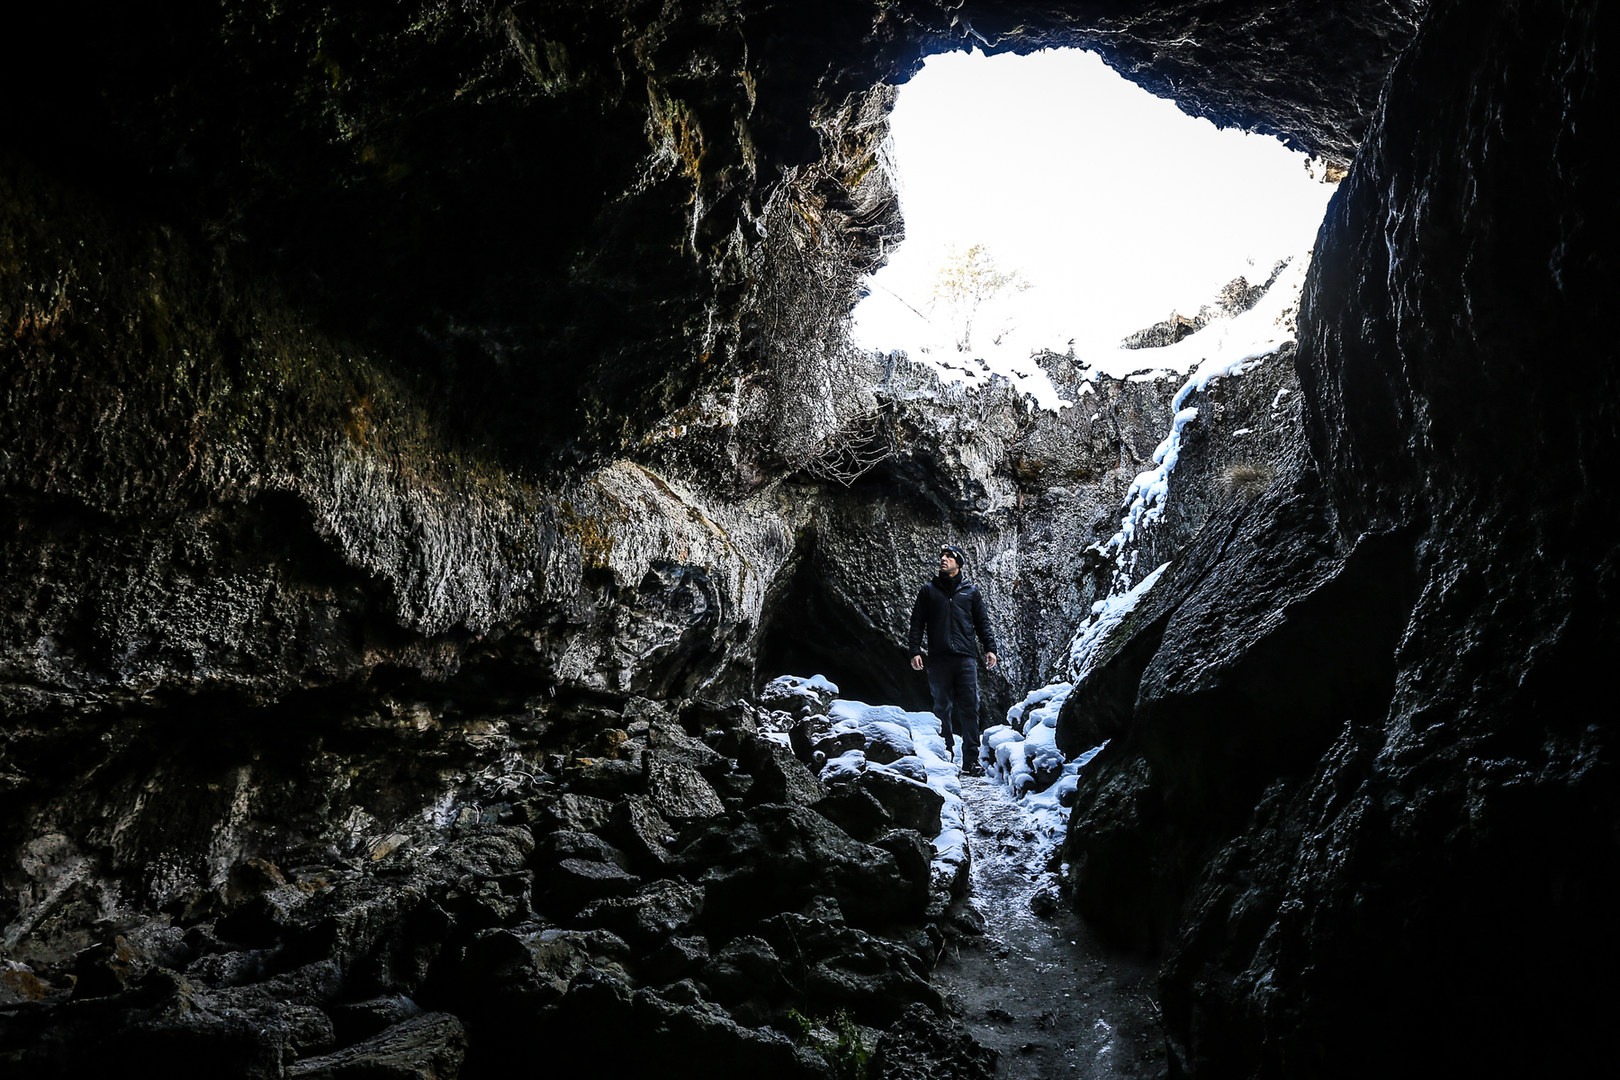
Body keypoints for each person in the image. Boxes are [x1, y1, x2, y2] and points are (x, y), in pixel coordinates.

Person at [907, 543, 998, 775]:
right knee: (941, 708)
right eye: (942, 556)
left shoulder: (971, 592)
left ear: (958, 563)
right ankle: (945, 755)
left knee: (970, 708)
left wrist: (990, 648)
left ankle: (971, 760)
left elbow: (982, 623)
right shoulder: (928, 591)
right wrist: (914, 650)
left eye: (949, 556)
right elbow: (917, 622)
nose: (943, 559)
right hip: (938, 659)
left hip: (966, 658)